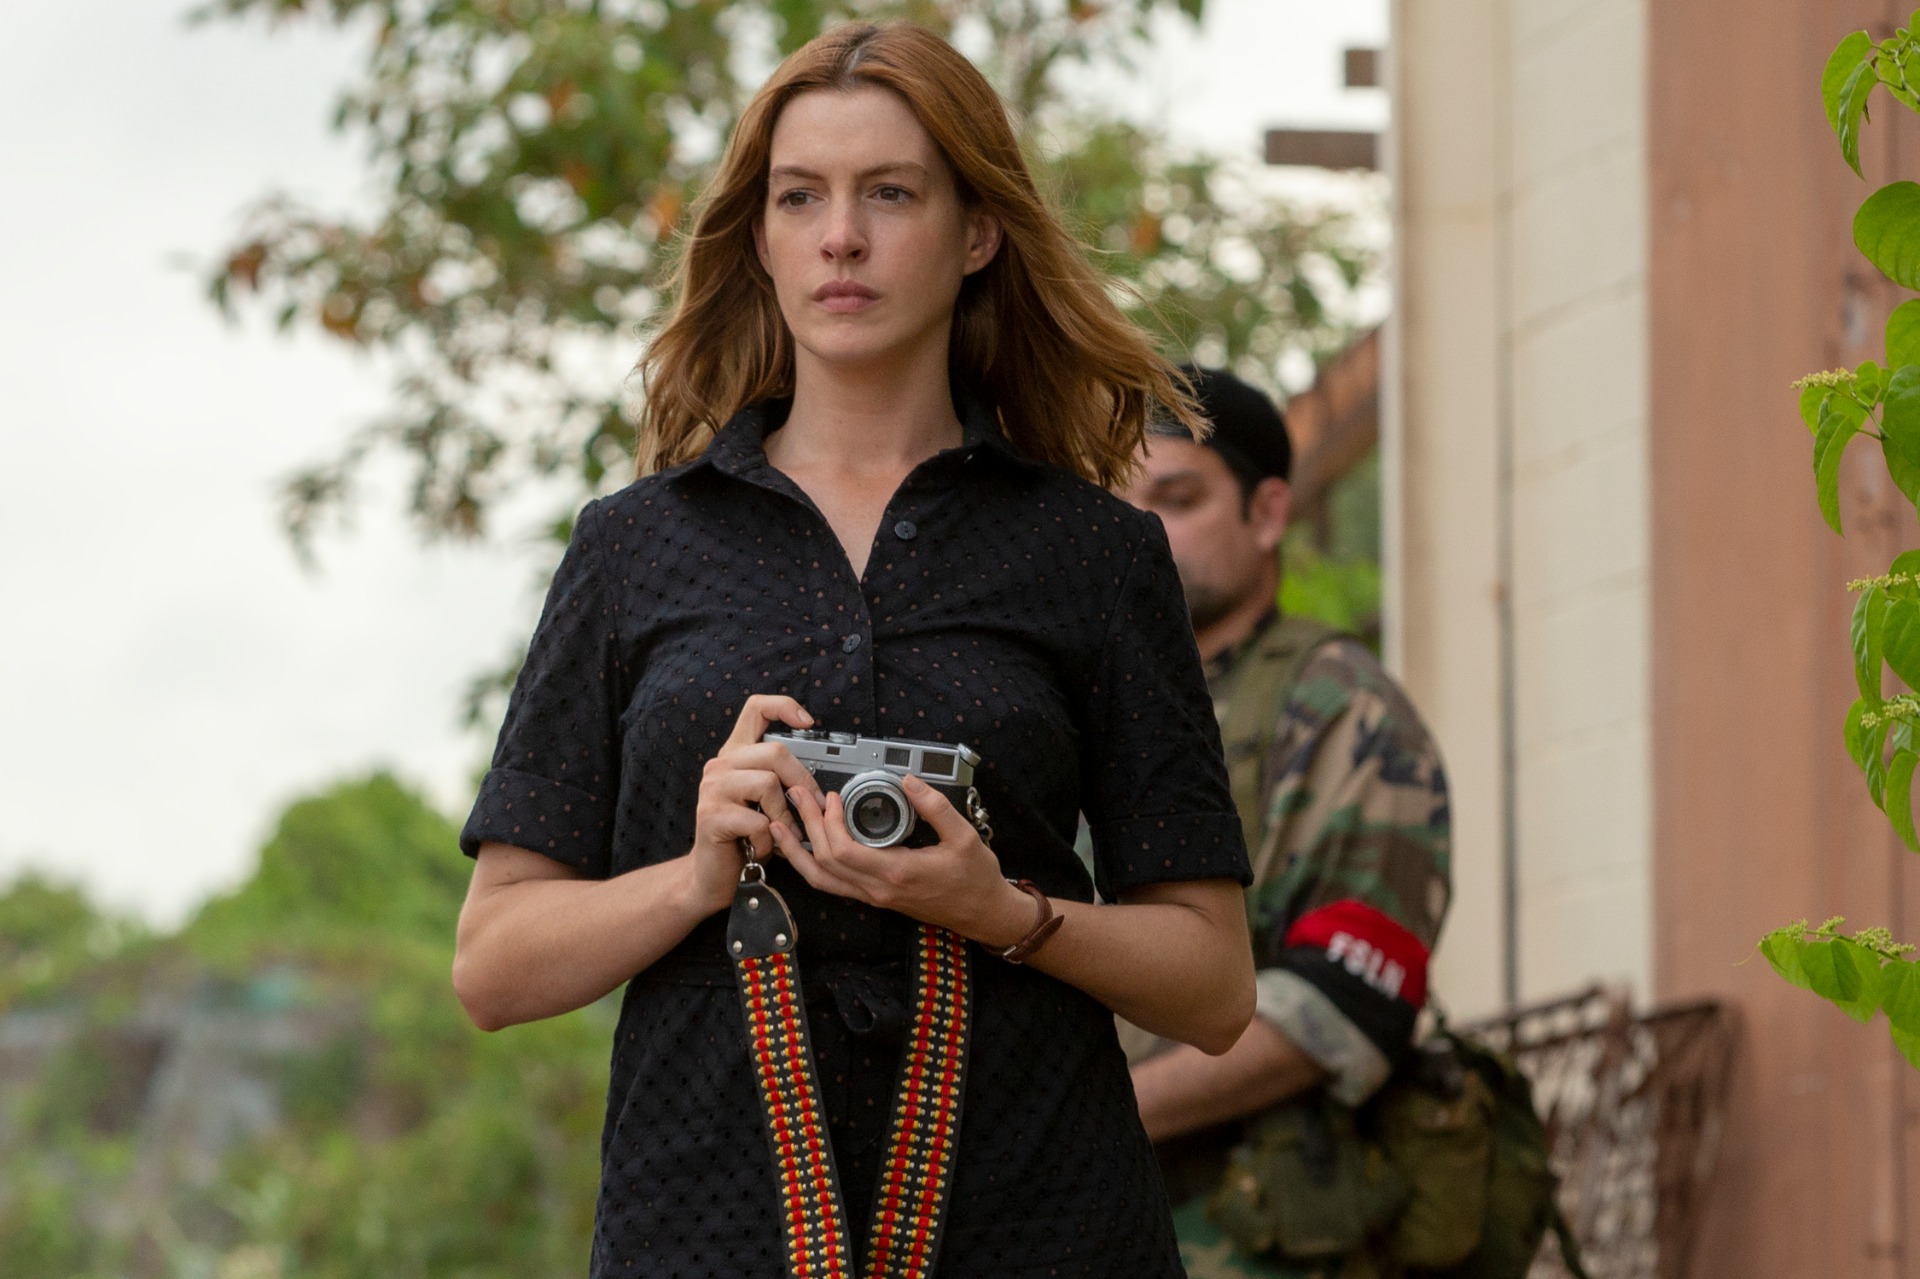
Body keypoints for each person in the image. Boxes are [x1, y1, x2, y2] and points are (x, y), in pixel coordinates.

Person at [449, 23, 1257, 1279]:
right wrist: (693, 875)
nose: (841, 237)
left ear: (976, 232)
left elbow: (1212, 985)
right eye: (800, 197)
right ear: (760, 238)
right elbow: (493, 966)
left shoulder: (1095, 554)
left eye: (890, 193)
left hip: (1039, 1224)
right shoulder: (633, 548)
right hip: (706, 1231)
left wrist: (1007, 912)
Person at [1118, 368, 1452, 1278]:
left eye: (1177, 500)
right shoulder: (1085, 707)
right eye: (1116, 504)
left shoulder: (1341, 708)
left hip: (1247, 1236)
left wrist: (1088, 1121)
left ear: (1267, 514)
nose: (1138, 532)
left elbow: (1344, 1003)